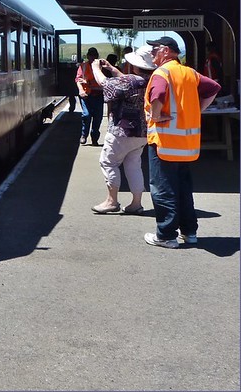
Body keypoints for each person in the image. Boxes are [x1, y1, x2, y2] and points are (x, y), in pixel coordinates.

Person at [143, 36, 221, 248]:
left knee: (162, 189)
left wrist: (157, 116)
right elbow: (214, 87)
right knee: (183, 189)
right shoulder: (190, 73)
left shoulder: (162, 73)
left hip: (164, 142)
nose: (151, 53)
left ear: (166, 51)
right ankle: (190, 231)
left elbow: (157, 95)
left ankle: (166, 235)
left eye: (154, 49)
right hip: (186, 145)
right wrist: (197, 110)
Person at [89, 45, 156, 214]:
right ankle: (136, 203)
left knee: (109, 162)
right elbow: (127, 80)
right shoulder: (151, 79)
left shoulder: (129, 81)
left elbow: (105, 84)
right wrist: (112, 69)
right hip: (142, 131)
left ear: (134, 65)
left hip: (122, 131)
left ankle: (112, 201)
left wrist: (95, 68)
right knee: (134, 165)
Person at [75, 47, 104, 145]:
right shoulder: (82, 66)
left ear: (97, 56)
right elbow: (78, 80)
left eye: (94, 55)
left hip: (98, 96)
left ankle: (95, 137)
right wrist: (81, 90)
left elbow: (102, 81)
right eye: (90, 55)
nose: (92, 57)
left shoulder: (101, 67)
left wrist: (87, 82)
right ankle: (84, 135)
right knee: (86, 115)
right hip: (86, 95)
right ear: (88, 56)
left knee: (98, 118)